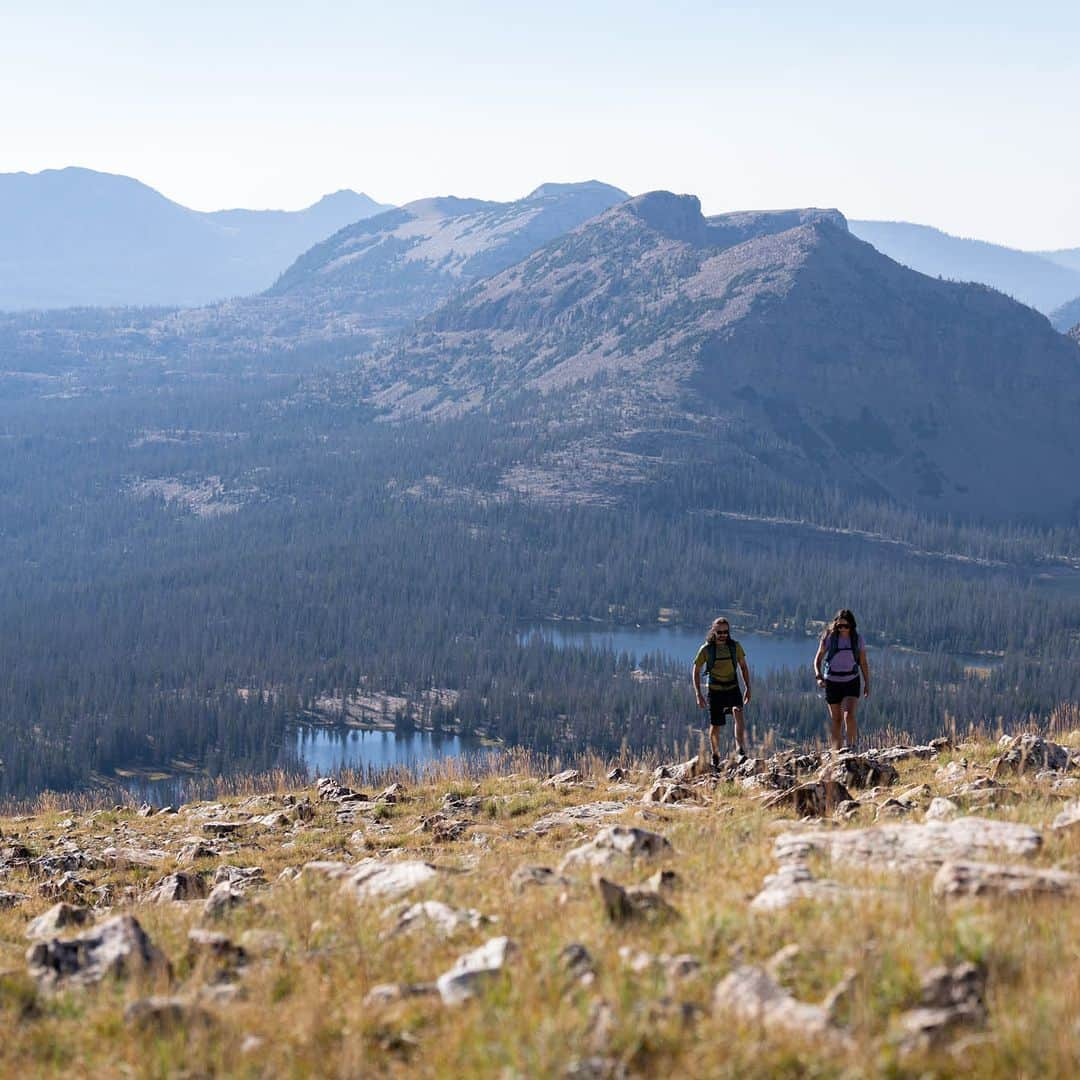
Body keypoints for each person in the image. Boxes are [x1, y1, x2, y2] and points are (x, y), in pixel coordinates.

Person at [693, 617, 751, 766]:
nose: (723, 635)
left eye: (726, 631)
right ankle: (715, 755)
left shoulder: (735, 647)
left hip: (732, 687)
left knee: (738, 711)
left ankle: (740, 749)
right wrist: (698, 694)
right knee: (716, 725)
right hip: (715, 690)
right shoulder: (706, 649)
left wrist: (748, 688)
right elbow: (696, 670)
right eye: (720, 632)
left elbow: (743, 667)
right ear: (713, 631)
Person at [813, 608, 870, 750]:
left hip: (851, 681)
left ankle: (851, 749)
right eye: (839, 626)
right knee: (836, 720)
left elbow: (863, 662)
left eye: (846, 626)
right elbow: (817, 660)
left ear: (852, 625)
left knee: (849, 715)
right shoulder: (829, 638)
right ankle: (836, 754)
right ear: (835, 625)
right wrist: (818, 676)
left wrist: (867, 683)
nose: (843, 629)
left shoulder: (857, 640)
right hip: (832, 683)